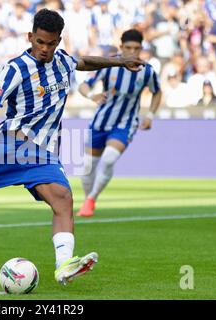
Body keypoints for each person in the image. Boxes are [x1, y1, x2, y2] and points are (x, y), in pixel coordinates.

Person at [0, 9, 145, 285]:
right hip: (8, 149)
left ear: (59, 41)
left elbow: (85, 62)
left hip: (41, 153)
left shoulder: (62, 61)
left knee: (63, 198)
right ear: (30, 37)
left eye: (51, 43)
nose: (45, 49)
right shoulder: (14, 69)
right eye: (40, 42)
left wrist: (120, 61)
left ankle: (63, 265)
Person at [76, 29, 162, 217]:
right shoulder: (108, 65)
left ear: (141, 48)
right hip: (100, 122)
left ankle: (91, 199)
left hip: (125, 123)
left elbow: (157, 92)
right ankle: (87, 199)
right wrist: (92, 95)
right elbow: (83, 85)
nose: (132, 51)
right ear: (121, 47)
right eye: (128, 47)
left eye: (137, 48)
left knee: (108, 159)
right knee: (87, 166)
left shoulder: (147, 70)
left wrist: (150, 116)